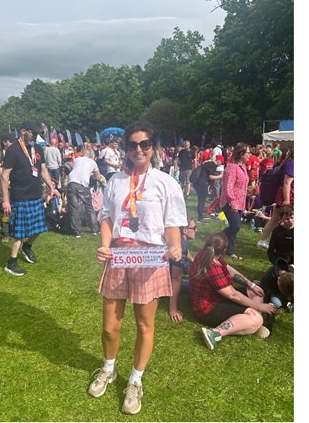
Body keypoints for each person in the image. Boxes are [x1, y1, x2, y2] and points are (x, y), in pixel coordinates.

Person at [88, 122, 186, 415]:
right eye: (133, 144)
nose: (138, 150)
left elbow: (172, 222)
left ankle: (135, 380)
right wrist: (105, 245)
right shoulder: (115, 181)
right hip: (120, 256)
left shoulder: (165, 182)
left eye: (144, 144)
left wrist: (175, 245)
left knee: (145, 324)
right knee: (110, 326)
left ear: (153, 147)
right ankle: (108, 369)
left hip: (150, 258)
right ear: (125, 148)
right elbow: (107, 217)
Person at [188, 232, 277, 350]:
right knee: (257, 318)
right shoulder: (212, 267)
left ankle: (249, 324)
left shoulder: (207, 253)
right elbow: (233, 295)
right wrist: (259, 307)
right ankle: (214, 333)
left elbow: (229, 269)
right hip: (207, 308)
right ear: (224, 249)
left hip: (216, 297)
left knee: (256, 293)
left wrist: (251, 285)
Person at [0, 122, 61, 276]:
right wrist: (6, 200)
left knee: (40, 227)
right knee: (19, 233)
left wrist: (52, 188)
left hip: (36, 195)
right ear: (23, 131)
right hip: (20, 197)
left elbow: (43, 170)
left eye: (37, 133)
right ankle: (11, 263)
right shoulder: (13, 150)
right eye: (33, 133)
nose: (35, 136)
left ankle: (27, 247)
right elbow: (4, 176)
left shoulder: (37, 148)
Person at [257, 149, 294, 249]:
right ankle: (265, 241)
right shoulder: (292, 164)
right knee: (279, 218)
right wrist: (287, 200)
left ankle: (263, 240)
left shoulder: (289, 163)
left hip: (286, 194)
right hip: (288, 195)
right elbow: (287, 183)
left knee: (275, 219)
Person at [220, 143, 251, 260]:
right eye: (248, 153)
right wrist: (232, 202)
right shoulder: (232, 168)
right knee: (235, 226)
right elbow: (228, 186)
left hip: (240, 202)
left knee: (235, 228)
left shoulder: (243, 167)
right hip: (230, 202)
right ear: (241, 154)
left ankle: (230, 250)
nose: (250, 155)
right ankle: (217, 238)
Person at [67, 148, 104, 238]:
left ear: (82, 154)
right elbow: (98, 176)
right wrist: (91, 175)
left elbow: (76, 169)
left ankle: (76, 231)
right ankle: (94, 229)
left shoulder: (77, 160)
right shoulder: (93, 162)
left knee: (73, 207)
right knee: (89, 207)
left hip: (72, 182)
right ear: (90, 155)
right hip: (83, 183)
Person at [168, 219, 197, 323]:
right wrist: (173, 309)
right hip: (168, 282)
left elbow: (187, 252)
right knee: (195, 285)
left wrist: (194, 261)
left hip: (165, 276)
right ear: (185, 231)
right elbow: (175, 278)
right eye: (194, 228)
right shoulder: (181, 247)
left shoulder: (179, 240)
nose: (196, 230)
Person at [0, 134, 16, 243]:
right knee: (4, 208)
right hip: (2, 183)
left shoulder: (14, 153)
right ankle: (5, 232)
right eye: (10, 142)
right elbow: (0, 174)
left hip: (14, 183)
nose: (13, 144)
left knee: (14, 207)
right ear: (4, 142)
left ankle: (12, 229)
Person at [193, 155, 223, 222]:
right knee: (201, 201)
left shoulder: (208, 163)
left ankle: (201, 215)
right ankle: (200, 218)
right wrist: (220, 176)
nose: (221, 164)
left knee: (201, 200)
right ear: (218, 160)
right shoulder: (212, 165)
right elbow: (211, 177)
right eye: (221, 162)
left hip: (198, 182)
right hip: (203, 183)